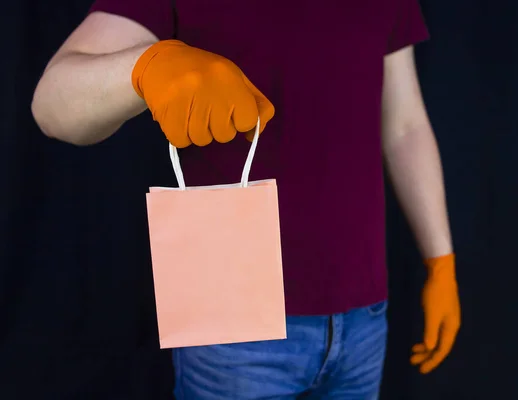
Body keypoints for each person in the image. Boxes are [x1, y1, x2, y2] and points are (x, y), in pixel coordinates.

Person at [31, 0, 461, 398]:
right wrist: (147, 67)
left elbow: (404, 123)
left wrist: (440, 261)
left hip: (365, 315)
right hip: (233, 325)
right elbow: (51, 106)